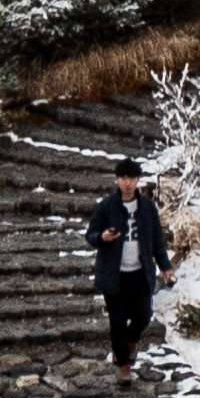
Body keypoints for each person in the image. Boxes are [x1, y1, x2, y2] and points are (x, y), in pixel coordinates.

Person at [85, 159, 174, 379]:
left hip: (140, 272)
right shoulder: (106, 206)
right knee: (117, 319)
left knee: (143, 315)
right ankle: (123, 365)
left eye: (132, 179)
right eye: (123, 178)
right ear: (117, 179)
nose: (127, 183)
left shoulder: (147, 208)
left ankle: (131, 341)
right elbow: (91, 235)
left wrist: (166, 267)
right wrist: (103, 237)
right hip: (114, 274)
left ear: (137, 180)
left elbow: (156, 241)